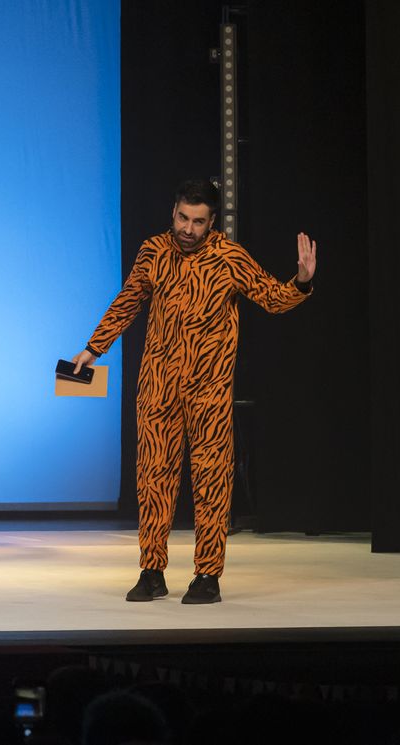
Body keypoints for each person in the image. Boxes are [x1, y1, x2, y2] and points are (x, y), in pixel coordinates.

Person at [69, 178, 316, 605]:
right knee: (153, 480)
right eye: (183, 217)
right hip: (158, 385)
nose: (188, 228)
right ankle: (152, 571)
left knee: (211, 481)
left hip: (209, 390)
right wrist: (94, 348)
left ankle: (208, 575)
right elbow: (126, 302)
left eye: (198, 221)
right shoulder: (153, 251)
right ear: (174, 212)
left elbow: (272, 298)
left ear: (212, 221)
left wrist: (302, 281)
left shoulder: (229, 257)